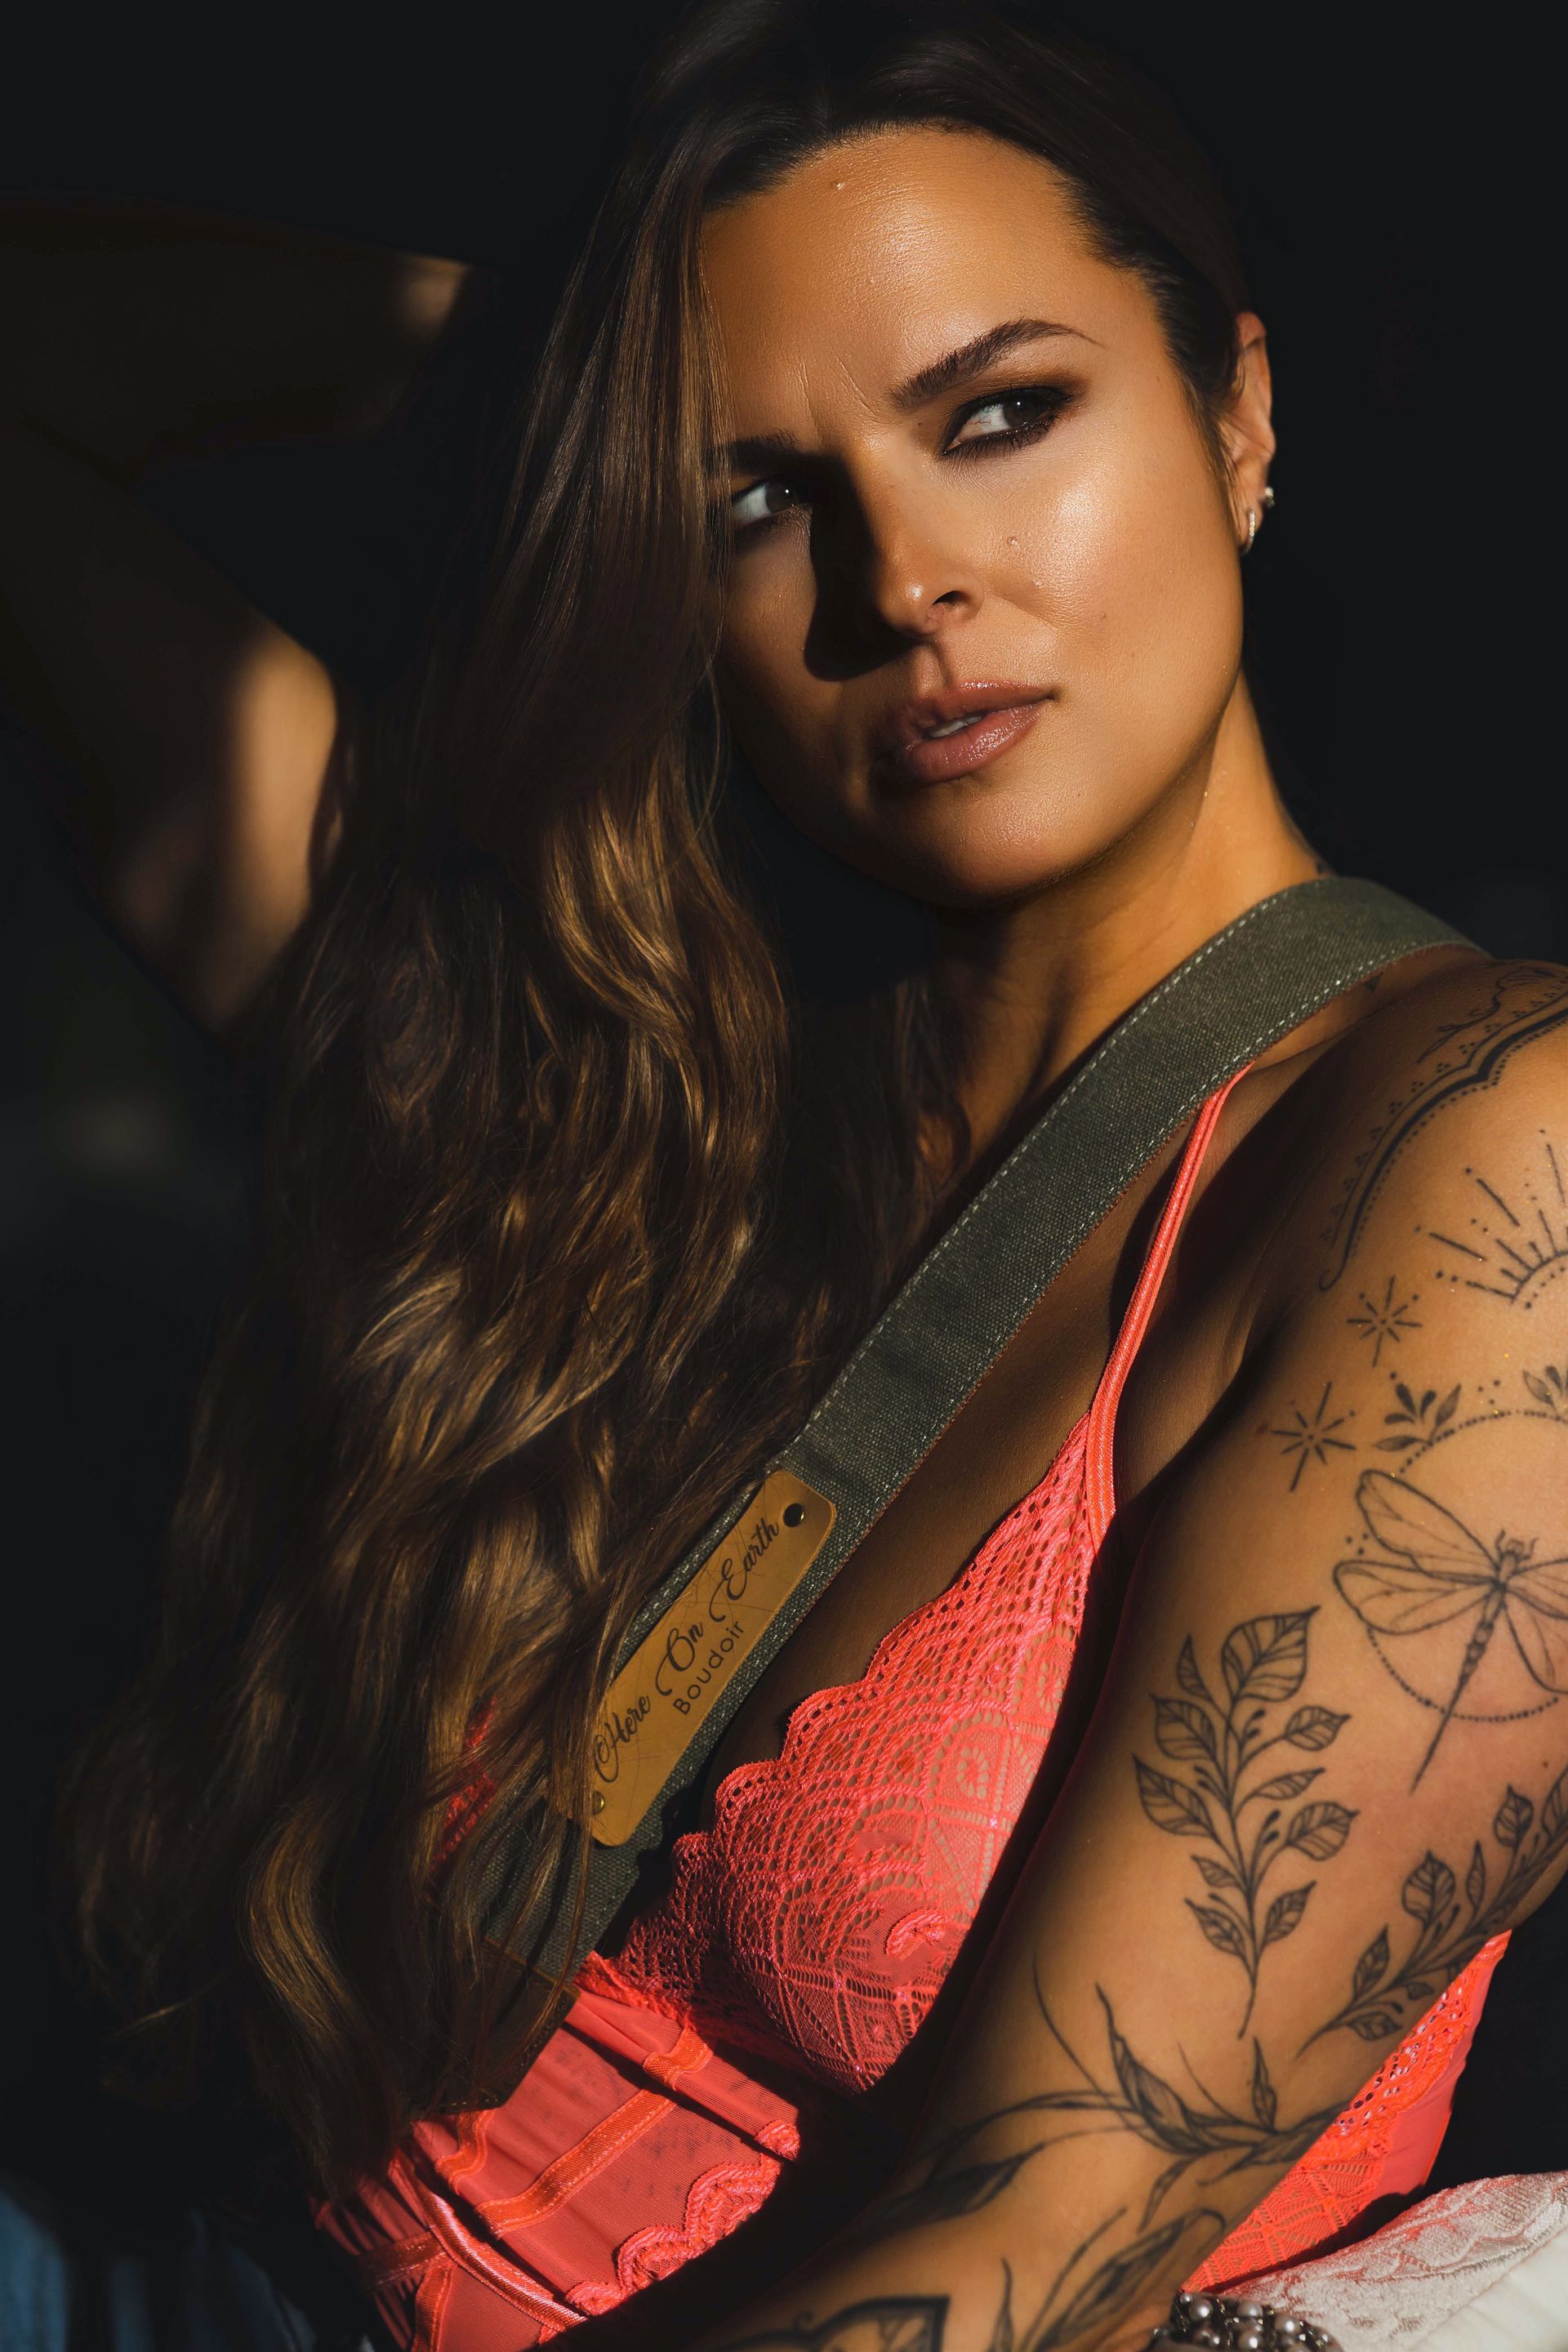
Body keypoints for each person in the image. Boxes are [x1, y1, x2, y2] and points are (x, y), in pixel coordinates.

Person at [4, 2, 1566, 2346]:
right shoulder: (633, 1078)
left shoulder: (1474, 1157)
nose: (906, 577)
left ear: (1239, 414)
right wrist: (556, 373)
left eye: (1000, 415)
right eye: (753, 497)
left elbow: (1012, 2262)